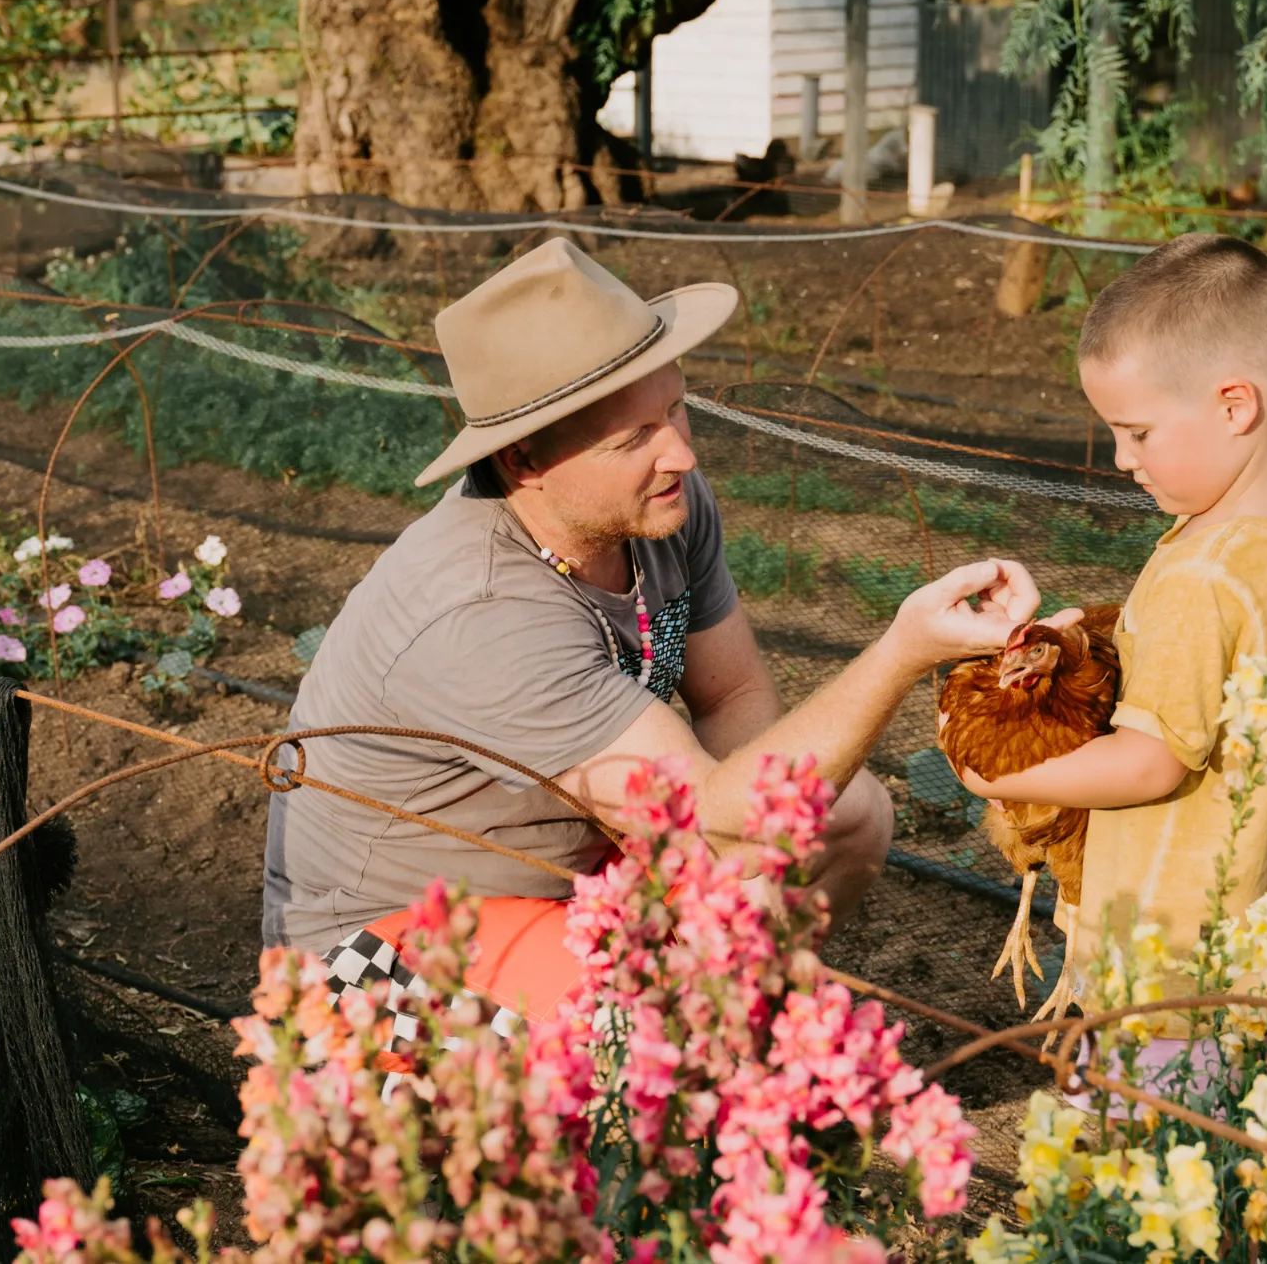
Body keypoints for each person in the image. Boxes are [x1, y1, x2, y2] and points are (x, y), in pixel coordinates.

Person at [265, 236, 1037, 1031]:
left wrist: (743, 880)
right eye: (632, 439)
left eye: (673, 407)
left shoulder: (659, 509)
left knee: (847, 818)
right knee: (641, 1035)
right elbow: (710, 817)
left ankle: (727, 1051)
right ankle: (680, 1075)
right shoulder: (481, 614)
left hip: (579, 864)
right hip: (395, 939)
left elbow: (733, 695)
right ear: (527, 459)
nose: (681, 451)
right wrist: (899, 653)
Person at [954, 232, 1267, 1094]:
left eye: (1138, 432)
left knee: (1130, 1171)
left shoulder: (1205, 573)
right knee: (1226, 1171)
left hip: (1163, 963)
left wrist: (1004, 780)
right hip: (1253, 943)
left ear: (1235, 405)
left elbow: (1154, 759)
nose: (1123, 458)